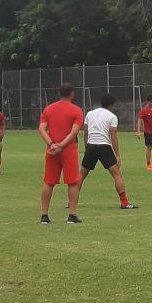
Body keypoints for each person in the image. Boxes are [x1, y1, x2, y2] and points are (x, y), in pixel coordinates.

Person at [79, 94, 137, 211]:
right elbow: (113, 136)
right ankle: (124, 202)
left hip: (91, 145)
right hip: (104, 147)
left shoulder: (90, 114)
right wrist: (117, 155)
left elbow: (86, 132)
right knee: (116, 175)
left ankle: (71, 201)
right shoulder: (112, 116)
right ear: (111, 105)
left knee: (81, 175)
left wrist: (87, 147)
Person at [38, 84, 85, 225]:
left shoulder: (49, 109)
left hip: (51, 150)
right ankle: (72, 215)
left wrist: (52, 144)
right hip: (68, 149)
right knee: (72, 182)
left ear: (59, 93)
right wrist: (61, 145)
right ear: (72, 94)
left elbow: (41, 129)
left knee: (49, 181)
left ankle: (44, 215)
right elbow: (74, 132)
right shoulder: (76, 110)